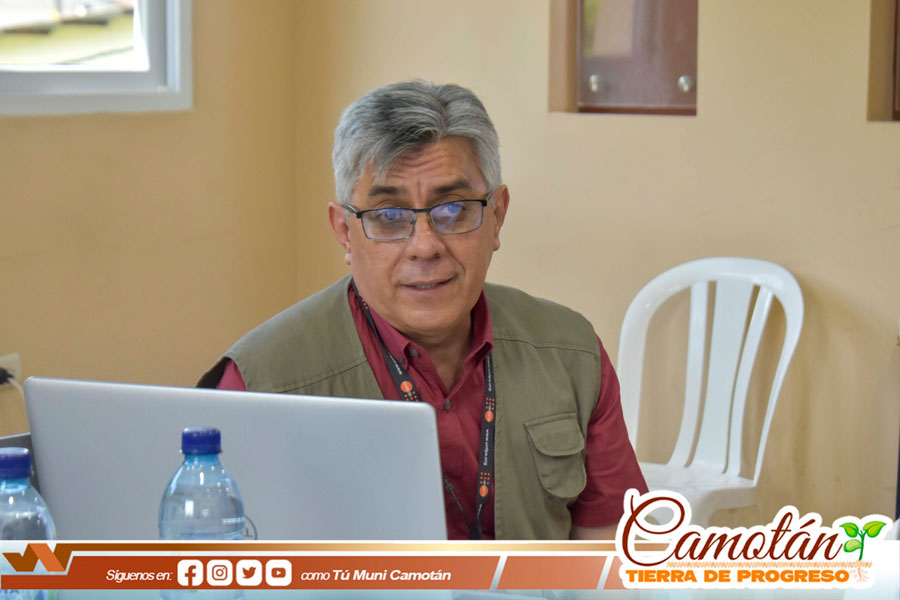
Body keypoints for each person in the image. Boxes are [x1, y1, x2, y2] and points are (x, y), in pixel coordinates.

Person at [199, 80, 647, 540]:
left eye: (453, 210)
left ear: (497, 216)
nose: (425, 246)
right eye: (388, 216)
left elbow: (611, 547)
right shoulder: (259, 384)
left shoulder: (570, 353)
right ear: (344, 232)